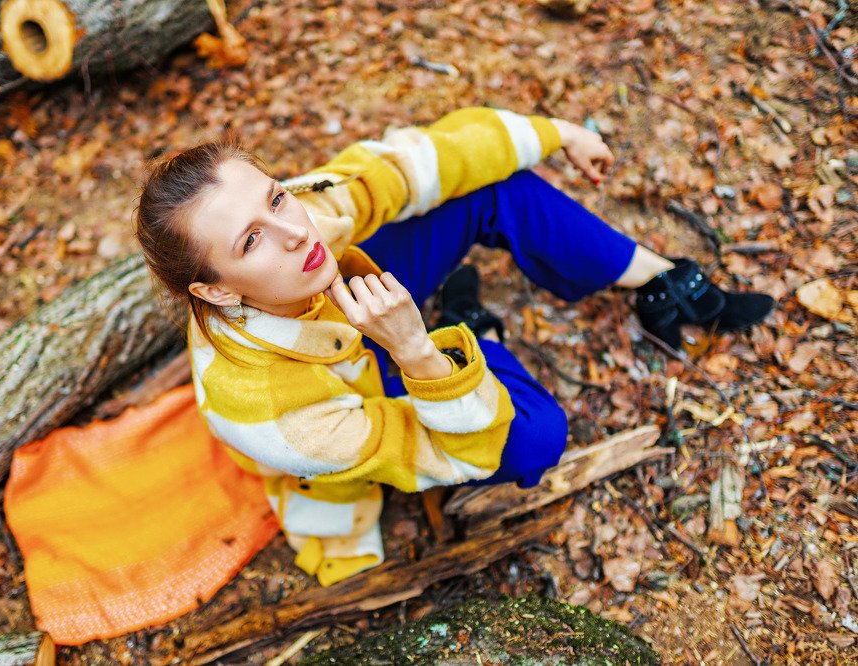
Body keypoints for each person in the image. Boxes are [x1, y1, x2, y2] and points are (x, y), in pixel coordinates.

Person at [134, 106, 773, 587]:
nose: (294, 232)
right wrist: (416, 351)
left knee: (488, 186)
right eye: (250, 241)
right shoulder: (271, 413)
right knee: (536, 437)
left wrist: (555, 134)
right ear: (215, 292)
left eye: (276, 196)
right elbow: (451, 452)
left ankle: (656, 281)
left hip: (365, 321)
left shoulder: (302, 219)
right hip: (361, 395)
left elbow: (415, 160)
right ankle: (478, 334)